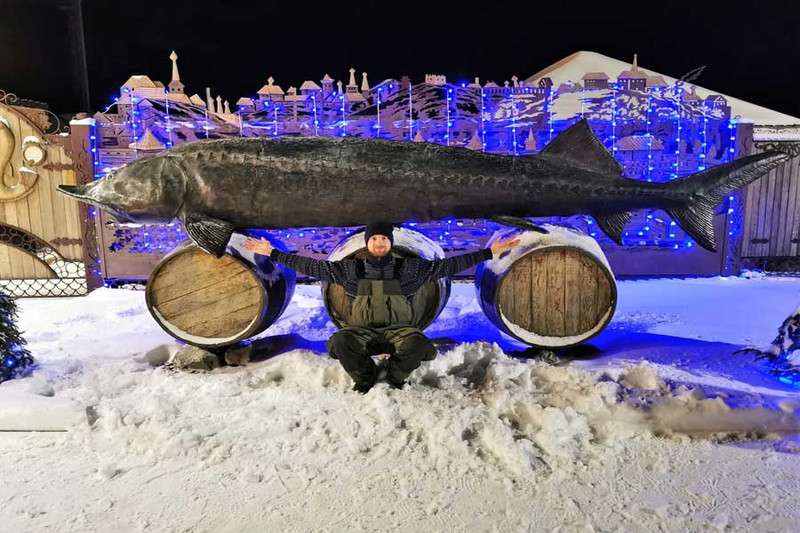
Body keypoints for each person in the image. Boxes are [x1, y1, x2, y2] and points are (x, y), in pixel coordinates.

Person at [245, 222, 520, 394]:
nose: (379, 243)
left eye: (384, 239)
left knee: (419, 345)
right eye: (374, 239)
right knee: (340, 341)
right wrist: (273, 253)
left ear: (390, 243)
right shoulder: (351, 270)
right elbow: (312, 266)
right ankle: (365, 377)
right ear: (368, 242)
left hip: (400, 331)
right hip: (361, 331)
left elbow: (447, 266)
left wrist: (488, 253)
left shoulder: (410, 269)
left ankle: (395, 375)